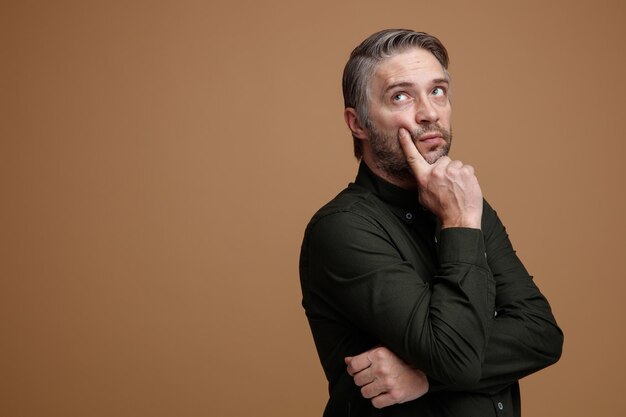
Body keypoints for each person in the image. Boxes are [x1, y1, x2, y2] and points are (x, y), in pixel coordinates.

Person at [299, 29, 563, 417]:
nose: (429, 112)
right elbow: (455, 356)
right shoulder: (341, 229)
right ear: (358, 124)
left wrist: (423, 375)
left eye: (437, 90)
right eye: (401, 96)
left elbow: (541, 334)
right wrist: (459, 221)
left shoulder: (467, 204)